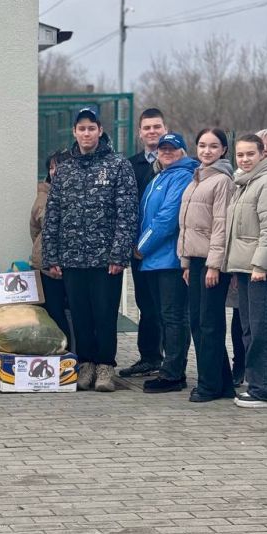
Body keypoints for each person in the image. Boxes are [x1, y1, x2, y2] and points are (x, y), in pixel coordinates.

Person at [41, 106, 138, 392]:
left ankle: (106, 366)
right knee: (81, 315)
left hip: (105, 259)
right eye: (81, 128)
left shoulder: (118, 165)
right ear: (74, 132)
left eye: (91, 128)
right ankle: (85, 365)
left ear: (100, 131)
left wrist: (119, 254)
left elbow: (127, 212)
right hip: (71, 258)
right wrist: (52, 256)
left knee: (105, 314)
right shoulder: (65, 168)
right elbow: (53, 214)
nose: (86, 133)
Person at [224, 134, 267, 409]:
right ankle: (261, 383)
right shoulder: (245, 182)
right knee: (250, 328)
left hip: (263, 271)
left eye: (250, 154)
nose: (244, 159)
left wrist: (260, 265)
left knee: (263, 329)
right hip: (246, 269)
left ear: (263, 153)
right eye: (240, 155)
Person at [177, 128, 235, 402]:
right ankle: (222, 382)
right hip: (196, 261)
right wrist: (186, 261)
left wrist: (214, 266)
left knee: (210, 324)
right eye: (202, 145)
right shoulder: (196, 178)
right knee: (199, 323)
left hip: (213, 263)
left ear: (224, 149)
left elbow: (221, 225)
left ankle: (209, 385)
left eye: (213, 146)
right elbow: (187, 226)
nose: (207, 151)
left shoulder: (223, 180)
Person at [137, 133, 197, 394]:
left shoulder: (182, 176)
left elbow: (166, 219)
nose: (167, 152)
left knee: (174, 317)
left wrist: (140, 247)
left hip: (169, 260)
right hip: (154, 260)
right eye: (163, 149)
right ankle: (168, 368)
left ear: (183, 151)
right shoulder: (160, 176)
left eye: (173, 149)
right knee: (164, 316)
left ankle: (174, 373)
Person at [120, 108, 167, 378]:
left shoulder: (179, 164)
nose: (152, 131)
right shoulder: (130, 164)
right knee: (145, 305)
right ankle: (149, 357)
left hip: (167, 250)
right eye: (147, 127)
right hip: (139, 250)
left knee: (169, 308)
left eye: (157, 127)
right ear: (140, 133)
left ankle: (172, 360)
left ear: (165, 128)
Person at [30, 150, 71, 348]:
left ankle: (76, 354)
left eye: (59, 166)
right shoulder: (42, 196)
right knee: (53, 311)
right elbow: (35, 229)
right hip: (46, 265)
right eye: (52, 167)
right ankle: (60, 352)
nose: (55, 171)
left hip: (71, 265)